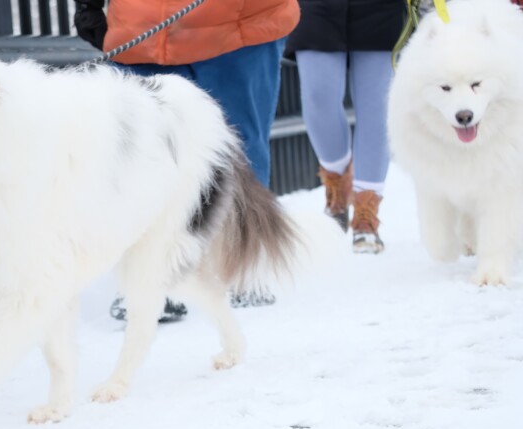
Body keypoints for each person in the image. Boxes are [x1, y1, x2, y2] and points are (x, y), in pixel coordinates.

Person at [74, 0, 300, 317]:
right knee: (141, 153)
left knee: (235, 146)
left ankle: (240, 263)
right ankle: (148, 277)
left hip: (238, 24)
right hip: (141, 25)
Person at [285, 0, 406, 253]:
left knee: (377, 106)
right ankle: (337, 179)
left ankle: (366, 211)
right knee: (319, 97)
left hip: (381, 9)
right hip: (318, 6)